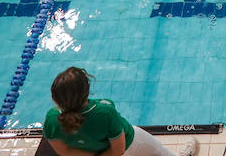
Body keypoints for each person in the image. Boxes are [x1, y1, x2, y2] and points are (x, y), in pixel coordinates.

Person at [44, 67, 196, 156]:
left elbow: (65, 152)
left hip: (99, 152)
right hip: (131, 145)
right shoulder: (104, 111)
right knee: (160, 152)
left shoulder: (51, 119)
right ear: (87, 91)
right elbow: (118, 150)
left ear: (55, 99)